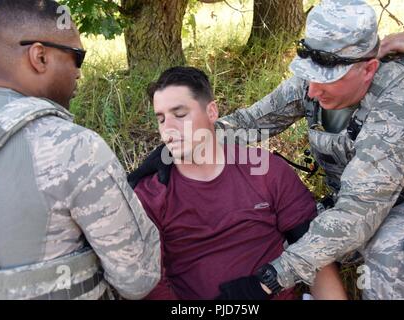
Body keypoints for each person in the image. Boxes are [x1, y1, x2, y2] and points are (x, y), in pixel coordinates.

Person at [133, 0, 404, 300]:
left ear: (368, 69)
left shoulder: (400, 110)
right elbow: (250, 123)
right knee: (300, 228)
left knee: (393, 243)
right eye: (310, 77)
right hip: (357, 198)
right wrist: (176, 147)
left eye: (327, 82)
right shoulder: (313, 82)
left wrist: (270, 280)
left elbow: (357, 215)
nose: (311, 91)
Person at [0, 0, 160, 300]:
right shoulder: (72, 147)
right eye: (77, 57)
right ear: (39, 56)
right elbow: (138, 277)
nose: (80, 73)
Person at [130, 66, 347, 300]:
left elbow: (315, 255)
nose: (168, 130)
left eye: (180, 114)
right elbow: (151, 286)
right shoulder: (151, 195)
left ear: (212, 112)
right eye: (161, 119)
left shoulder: (267, 172)